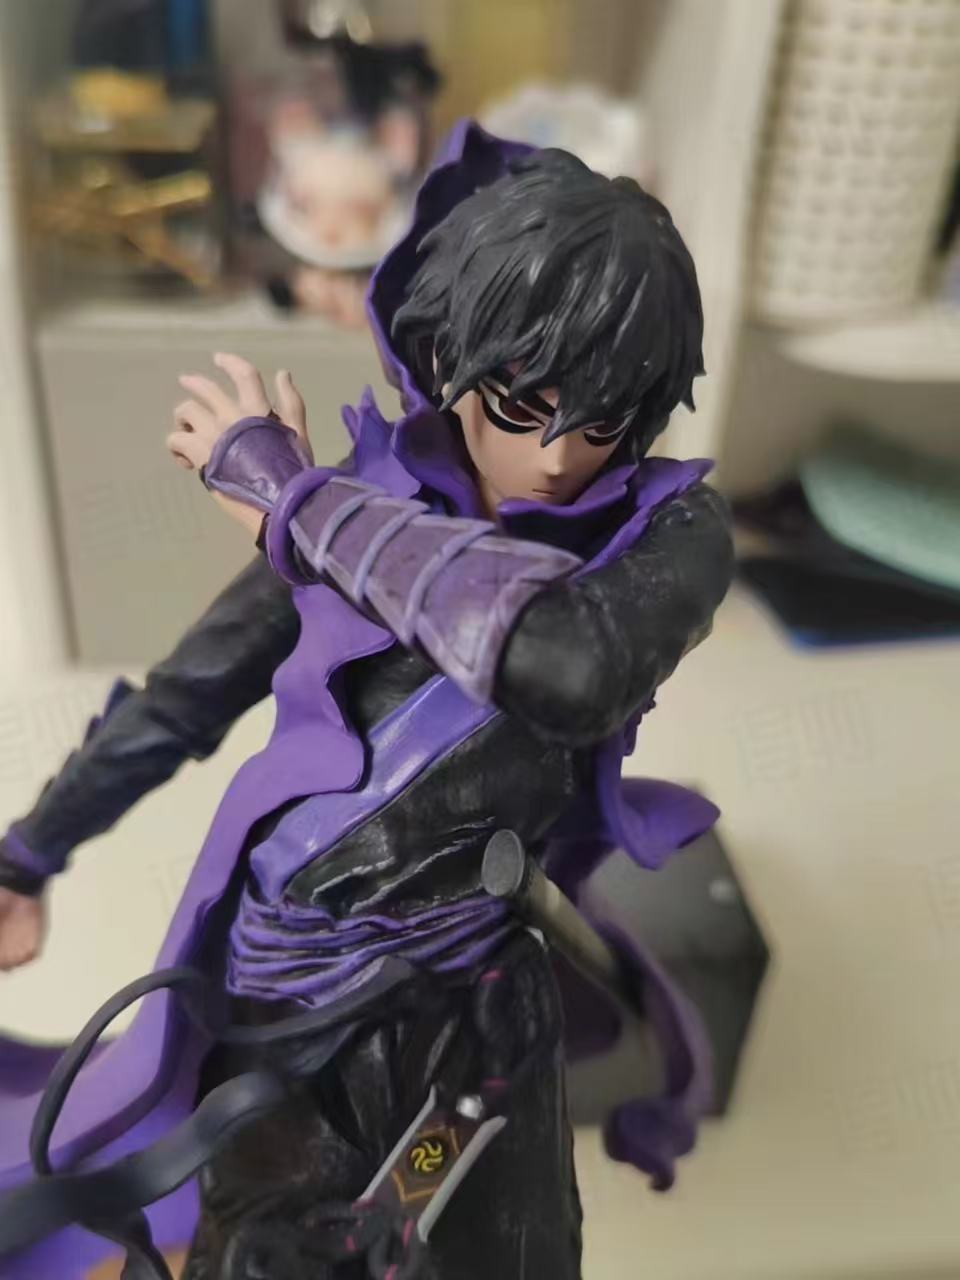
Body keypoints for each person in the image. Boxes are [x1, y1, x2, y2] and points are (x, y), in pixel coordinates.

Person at [0, 121, 733, 1280]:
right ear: (452, 363)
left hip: (466, 1008)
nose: (556, 459)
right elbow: (187, 697)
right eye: (522, 405)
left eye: (598, 424)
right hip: (278, 987)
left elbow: (567, 665)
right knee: (252, 1250)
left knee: (482, 1253)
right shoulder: (370, 499)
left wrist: (301, 509)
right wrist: (30, 850)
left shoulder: (668, 533)